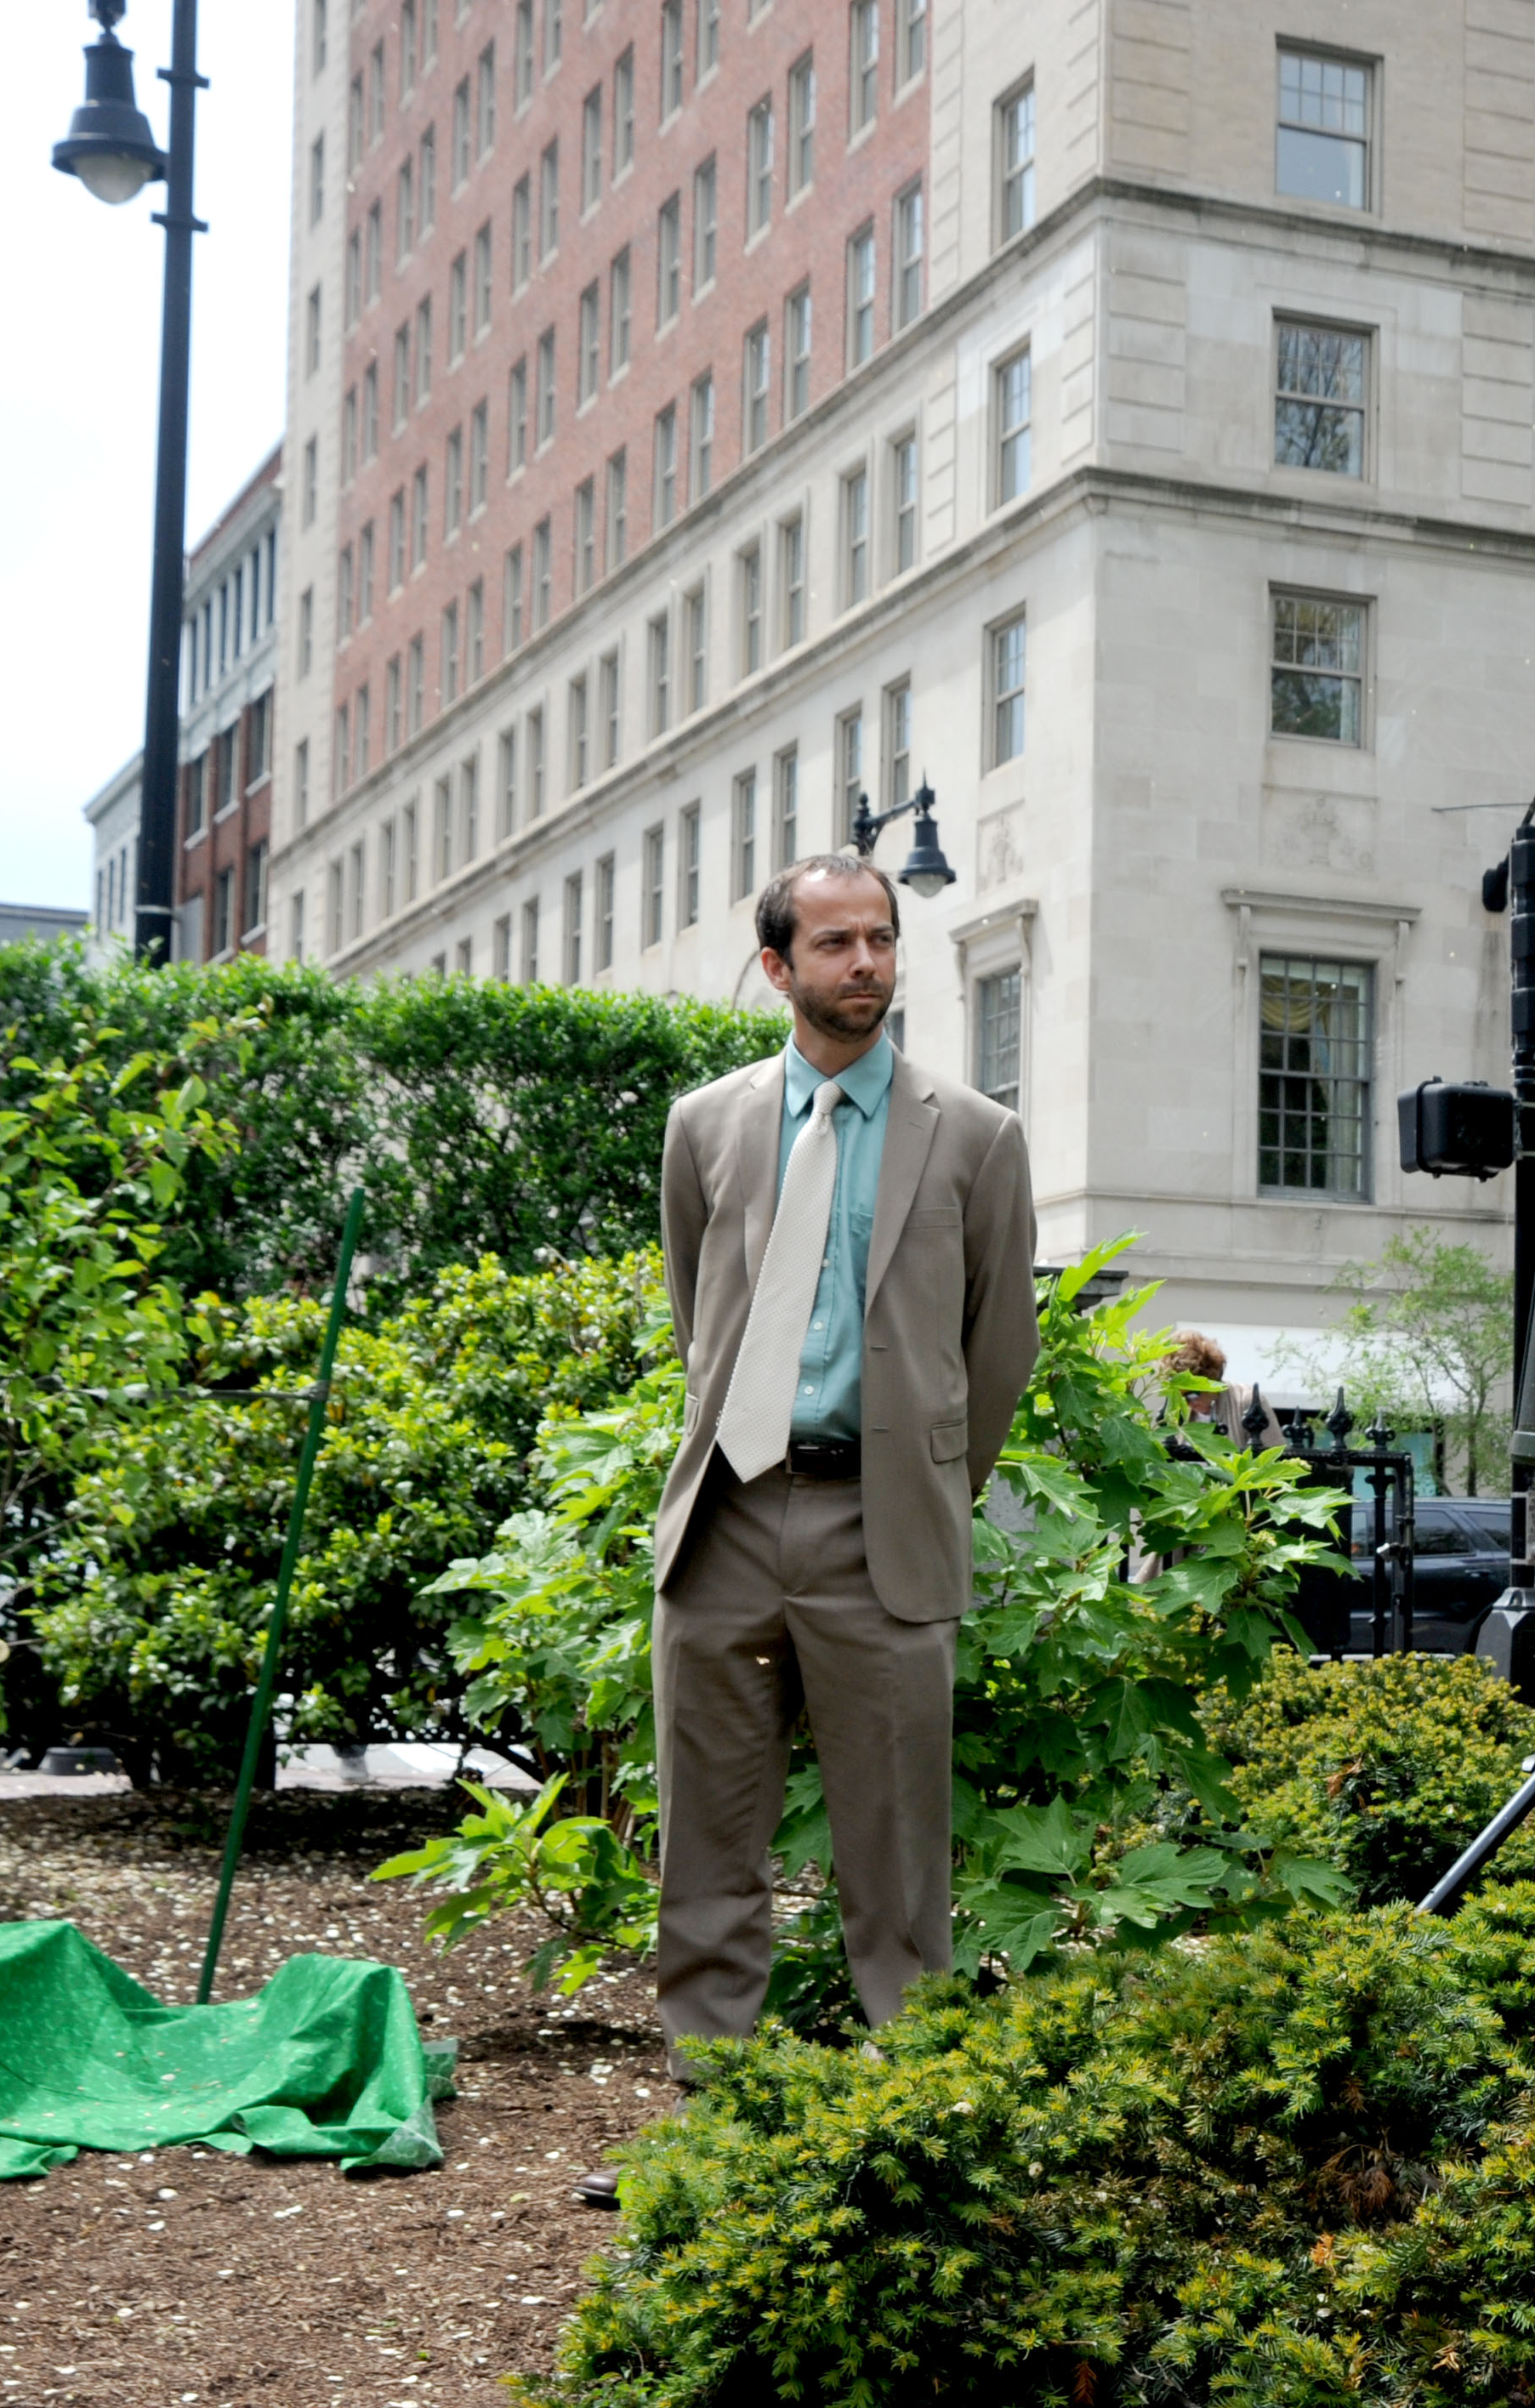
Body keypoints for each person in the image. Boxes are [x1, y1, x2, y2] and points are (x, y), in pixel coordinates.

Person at [584, 854, 1036, 2206]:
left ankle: (909, 2126)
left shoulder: (974, 1136)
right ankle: (710, 2129)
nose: (867, 964)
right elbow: (700, 1314)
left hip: (879, 1529)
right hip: (724, 1520)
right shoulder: (707, 1126)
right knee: (707, 1842)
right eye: (834, 943)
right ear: (777, 967)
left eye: (883, 940)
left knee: (894, 1860)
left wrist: (919, 1491)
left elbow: (997, 1350)